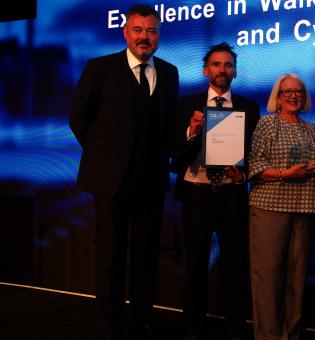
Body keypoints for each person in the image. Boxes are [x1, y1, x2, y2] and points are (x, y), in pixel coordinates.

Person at [68, 4, 178, 339]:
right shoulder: (100, 68)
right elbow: (78, 119)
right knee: (110, 259)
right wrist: (106, 158)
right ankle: (109, 325)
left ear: (158, 35)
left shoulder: (170, 73)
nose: (145, 37)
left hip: (151, 183)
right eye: (138, 30)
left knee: (146, 259)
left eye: (151, 31)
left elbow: (167, 125)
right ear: (125, 32)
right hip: (111, 183)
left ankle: (141, 321)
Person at [170, 43, 260, 340]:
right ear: (206, 70)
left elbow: (254, 153)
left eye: (228, 65)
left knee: (234, 266)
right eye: (216, 64)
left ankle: (234, 328)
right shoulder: (185, 105)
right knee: (195, 263)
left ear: (234, 70)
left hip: (232, 195)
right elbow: (174, 155)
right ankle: (193, 328)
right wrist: (192, 132)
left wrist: (243, 172)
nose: (222, 70)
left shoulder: (248, 107)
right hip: (196, 193)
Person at [247, 73, 315, 340]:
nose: (293, 96)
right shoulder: (267, 125)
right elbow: (254, 166)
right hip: (269, 208)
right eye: (287, 92)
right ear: (277, 98)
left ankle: (291, 334)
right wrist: (284, 173)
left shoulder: (310, 129)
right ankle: (268, 336)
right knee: (268, 279)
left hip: (302, 209)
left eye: (299, 92)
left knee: (295, 280)